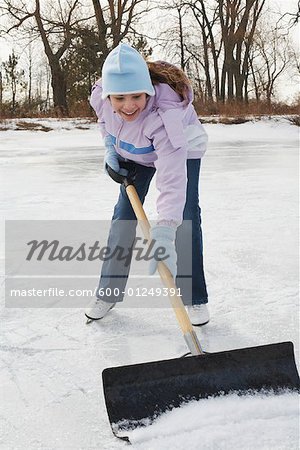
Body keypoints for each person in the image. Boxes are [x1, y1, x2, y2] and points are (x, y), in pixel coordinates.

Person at [85, 42, 209, 326]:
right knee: (123, 216)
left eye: (136, 96)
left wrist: (164, 231)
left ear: (149, 92)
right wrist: (110, 149)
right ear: (108, 96)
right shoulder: (101, 98)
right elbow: (105, 124)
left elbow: (172, 178)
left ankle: (194, 297)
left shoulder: (165, 117)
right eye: (119, 98)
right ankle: (108, 292)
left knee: (186, 215)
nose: (128, 106)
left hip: (181, 148)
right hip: (136, 151)